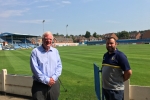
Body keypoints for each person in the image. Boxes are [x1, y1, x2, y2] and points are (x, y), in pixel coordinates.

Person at [30, 31, 62, 100]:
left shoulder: (55, 51)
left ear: (52, 40)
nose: (48, 41)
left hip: (53, 85)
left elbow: (59, 66)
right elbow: (35, 70)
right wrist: (47, 80)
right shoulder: (35, 52)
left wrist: (53, 78)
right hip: (39, 86)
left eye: (50, 39)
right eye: (46, 39)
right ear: (42, 40)